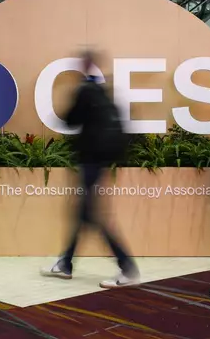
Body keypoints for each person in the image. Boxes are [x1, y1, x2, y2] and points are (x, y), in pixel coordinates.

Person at [41, 51, 140, 289]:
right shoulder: (103, 93)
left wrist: (74, 101)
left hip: (89, 162)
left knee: (90, 215)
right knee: (83, 213)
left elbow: (69, 120)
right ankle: (65, 263)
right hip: (100, 161)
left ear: (84, 65)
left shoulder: (85, 91)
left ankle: (128, 268)